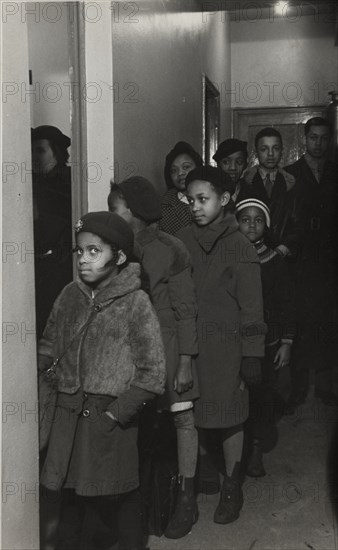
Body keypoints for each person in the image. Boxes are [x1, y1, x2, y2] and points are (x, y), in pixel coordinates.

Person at [38, 211, 166, 550]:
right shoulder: (69, 295)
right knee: (70, 503)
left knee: (118, 501)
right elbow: (49, 343)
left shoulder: (136, 304)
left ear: (119, 256)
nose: (83, 259)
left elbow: (153, 373)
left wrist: (116, 414)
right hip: (67, 419)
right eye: (80, 251)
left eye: (94, 251)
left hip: (108, 423)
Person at [108, 176, 199, 539]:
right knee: (137, 425)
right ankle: (136, 502)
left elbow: (186, 308)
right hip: (130, 351)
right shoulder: (113, 248)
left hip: (169, 347)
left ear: (131, 212)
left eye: (115, 208)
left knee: (182, 419)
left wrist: (186, 360)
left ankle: (187, 500)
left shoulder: (171, 248)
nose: (111, 215)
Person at [177, 166, 266, 525]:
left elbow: (252, 307)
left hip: (228, 351)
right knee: (193, 415)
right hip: (191, 346)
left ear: (225, 199)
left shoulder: (240, 245)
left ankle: (232, 486)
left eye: (204, 199)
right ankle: (205, 476)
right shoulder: (180, 239)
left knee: (229, 417)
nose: (196, 206)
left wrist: (252, 355)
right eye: (191, 199)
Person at [236, 197, 296, 476]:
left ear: (266, 225)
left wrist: (286, 342)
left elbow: (287, 304)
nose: (251, 225)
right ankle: (236, 451)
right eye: (245, 219)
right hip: (234, 342)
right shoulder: (229, 258)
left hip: (267, 343)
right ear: (236, 223)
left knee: (261, 397)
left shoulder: (274, 261)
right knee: (236, 397)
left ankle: (256, 450)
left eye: (258, 220)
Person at [285, 117, 338, 407]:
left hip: (329, 260)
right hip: (300, 260)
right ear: (305, 138)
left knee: (328, 321)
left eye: (324, 138)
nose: (318, 143)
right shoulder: (291, 173)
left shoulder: (335, 171)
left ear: (329, 140)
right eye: (313, 137)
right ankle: (298, 387)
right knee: (301, 323)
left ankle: (325, 386)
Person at [236, 127, 304, 259]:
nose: (270, 154)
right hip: (251, 254)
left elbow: (299, 224)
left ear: (282, 152)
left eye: (275, 148)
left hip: (283, 256)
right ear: (256, 153)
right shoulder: (245, 182)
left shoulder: (290, 183)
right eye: (264, 149)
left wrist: (284, 248)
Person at [32, 125, 73, 338]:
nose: (33, 156)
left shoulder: (70, 183)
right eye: (31, 151)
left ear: (56, 152)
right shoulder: (28, 184)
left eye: (40, 150)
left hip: (60, 269)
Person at [160, 141, 203, 235]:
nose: (180, 173)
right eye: (174, 170)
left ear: (198, 167)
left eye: (186, 167)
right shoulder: (166, 206)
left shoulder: (214, 195)